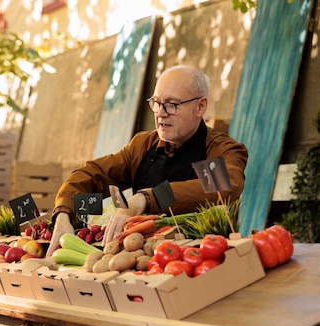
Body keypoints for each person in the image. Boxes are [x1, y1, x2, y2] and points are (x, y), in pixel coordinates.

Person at [48, 65, 248, 254]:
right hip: (140, 259)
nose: (160, 113)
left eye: (171, 105)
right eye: (156, 103)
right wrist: (64, 214)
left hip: (200, 260)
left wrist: (146, 198)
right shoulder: (143, 146)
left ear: (200, 107)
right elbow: (91, 174)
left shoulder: (218, 149)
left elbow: (223, 185)